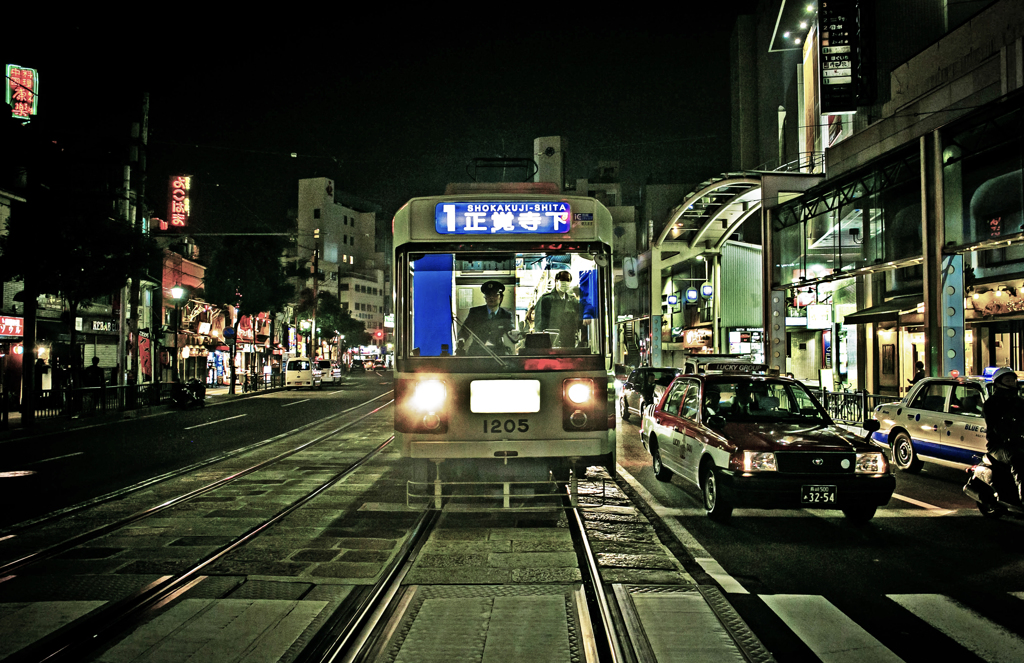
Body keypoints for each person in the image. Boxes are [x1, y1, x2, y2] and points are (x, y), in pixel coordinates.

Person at [983, 367, 1024, 503]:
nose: (1011, 383)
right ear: (998, 383)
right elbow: (997, 426)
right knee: (1019, 459)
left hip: (1019, 442)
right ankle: (1022, 498)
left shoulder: (1019, 402)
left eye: (1013, 380)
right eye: (1007, 380)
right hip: (999, 445)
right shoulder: (992, 404)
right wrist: (1012, 435)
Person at [458, 280, 515, 355]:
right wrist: (461, 339)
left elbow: (511, 331)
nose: (491, 298)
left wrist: (515, 335)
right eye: (488, 295)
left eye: (495, 295)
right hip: (477, 353)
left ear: (500, 297)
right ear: (485, 298)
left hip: (498, 354)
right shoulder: (475, 312)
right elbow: (465, 330)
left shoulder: (506, 314)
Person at [535, 271, 581, 348]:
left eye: (568, 281)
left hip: (569, 345)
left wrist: (588, 314)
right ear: (556, 281)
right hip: (551, 344)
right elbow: (540, 324)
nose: (565, 283)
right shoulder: (546, 300)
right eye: (562, 280)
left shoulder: (572, 301)